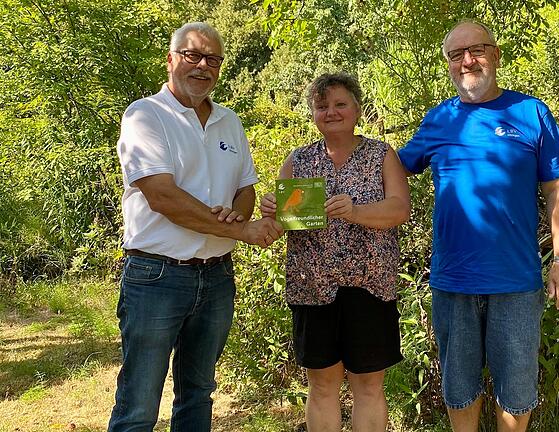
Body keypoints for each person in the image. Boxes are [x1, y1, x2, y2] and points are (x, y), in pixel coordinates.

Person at [397, 20, 559, 432]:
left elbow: (557, 188)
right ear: (447, 64)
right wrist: (334, 160)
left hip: (516, 281)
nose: (467, 61)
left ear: (495, 55)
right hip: (453, 281)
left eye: (477, 49)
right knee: (459, 390)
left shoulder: (531, 112)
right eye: (456, 54)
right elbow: (391, 169)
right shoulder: (439, 118)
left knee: (516, 395)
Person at [109, 22, 283, 432]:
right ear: (171, 60)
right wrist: (241, 231)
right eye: (192, 55)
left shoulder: (229, 121)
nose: (203, 65)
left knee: (198, 392)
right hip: (157, 275)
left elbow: (245, 188)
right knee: (139, 401)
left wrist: (238, 217)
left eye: (213, 59)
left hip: (217, 276)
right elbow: (162, 196)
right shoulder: (145, 116)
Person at [260, 73, 410, 432]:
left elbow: (399, 209)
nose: (331, 112)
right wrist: (271, 211)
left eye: (340, 104)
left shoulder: (381, 155)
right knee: (322, 386)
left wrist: (356, 211)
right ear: (313, 113)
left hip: (371, 287)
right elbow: (282, 226)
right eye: (322, 105)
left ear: (357, 109)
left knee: (369, 386)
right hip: (313, 288)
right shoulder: (299, 161)